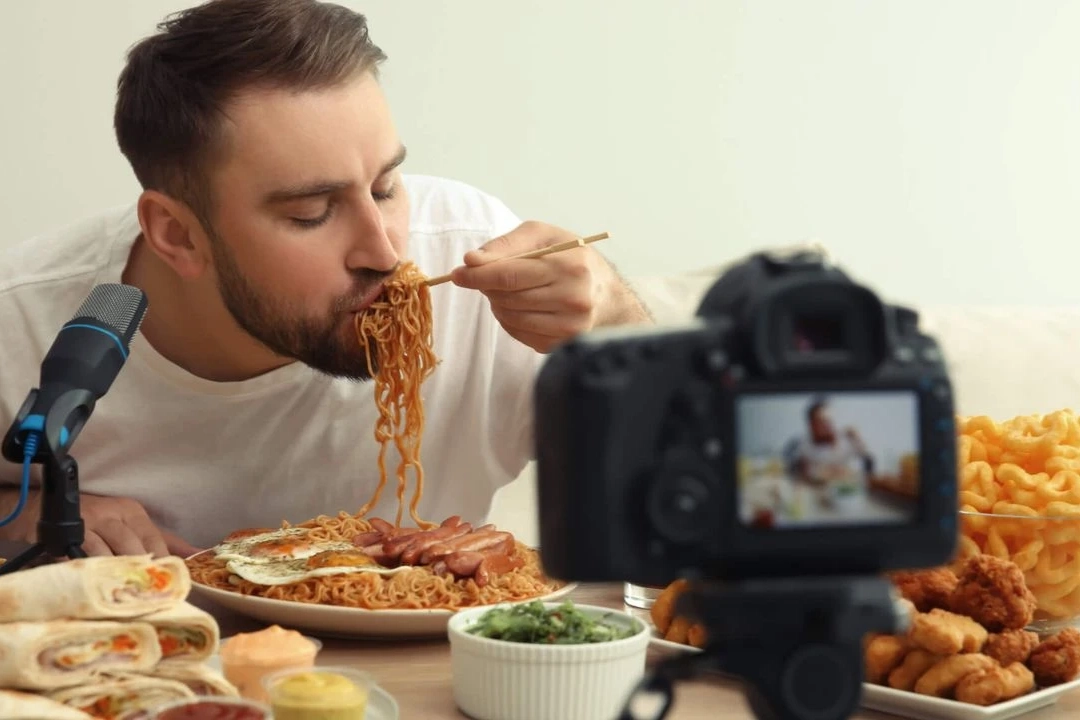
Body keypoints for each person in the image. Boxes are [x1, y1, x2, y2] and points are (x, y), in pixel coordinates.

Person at [0, 0, 651, 559]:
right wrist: (24, 512)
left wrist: (616, 321)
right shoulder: (24, 322)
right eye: (312, 213)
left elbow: (699, 470)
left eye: (387, 186)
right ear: (178, 234)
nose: (384, 249)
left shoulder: (479, 259)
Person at [787, 397, 875, 487]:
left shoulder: (846, 439)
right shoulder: (803, 444)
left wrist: (859, 439)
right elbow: (793, 469)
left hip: (845, 489)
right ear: (811, 425)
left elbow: (869, 461)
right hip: (816, 490)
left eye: (828, 420)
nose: (826, 425)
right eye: (820, 422)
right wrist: (800, 468)